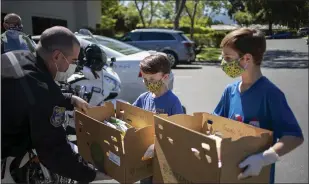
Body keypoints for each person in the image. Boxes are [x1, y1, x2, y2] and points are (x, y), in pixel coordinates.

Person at [1, 26, 110, 183]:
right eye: (73, 61)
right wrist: (91, 175)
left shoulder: (15, 56)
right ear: (57, 56)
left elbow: (27, 92)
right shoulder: (41, 91)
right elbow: (53, 151)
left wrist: (69, 99)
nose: (73, 66)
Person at [213, 28, 304, 183]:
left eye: (228, 57)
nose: (223, 62)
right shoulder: (230, 91)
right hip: (228, 175)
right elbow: (214, 124)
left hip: (257, 178)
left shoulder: (270, 94)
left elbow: (294, 136)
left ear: (247, 59)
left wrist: (263, 158)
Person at [132, 53, 184, 183]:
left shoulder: (173, 102)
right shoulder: (143, 98)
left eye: (152, 80)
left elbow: (178, 134)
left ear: (165, 77)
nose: (148, 83)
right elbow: (130, 116)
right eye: (145, 79)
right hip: (145, 158)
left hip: (164, 160)